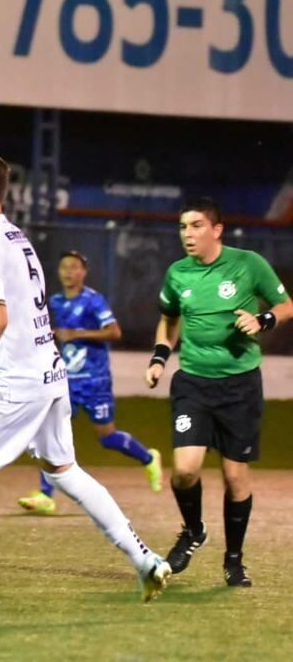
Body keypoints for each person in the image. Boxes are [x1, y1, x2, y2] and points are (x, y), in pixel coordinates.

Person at [0, 148, 170, 617]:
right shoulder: (15, 235)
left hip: (14, 378)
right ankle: (145, 559)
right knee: (65, 472)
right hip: (51, 373)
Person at [145, 197, 293, 587]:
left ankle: (234, 560)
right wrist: (160, 356)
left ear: (216, 229)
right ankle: (194, 532)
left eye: (195, 226)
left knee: (234, 477)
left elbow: (286, 305)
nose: (187, 235)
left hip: (240, 386)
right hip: (193, 382)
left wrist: (263, 320)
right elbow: (169, 319)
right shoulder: (178, 273)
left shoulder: (248, 264)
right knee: (184, 471)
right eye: (182, 227)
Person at [17, 251, 162, 515]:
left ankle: (149, 458)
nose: (69, 272)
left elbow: (114, 332)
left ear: (84, 272)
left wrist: (77, 334)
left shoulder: (94, 301)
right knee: (49, 432)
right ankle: (46, 495)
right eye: (64, 267)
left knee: (107, 437)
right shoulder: (55, 302)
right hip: (66, 380)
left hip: (95, 379)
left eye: (74, 267)